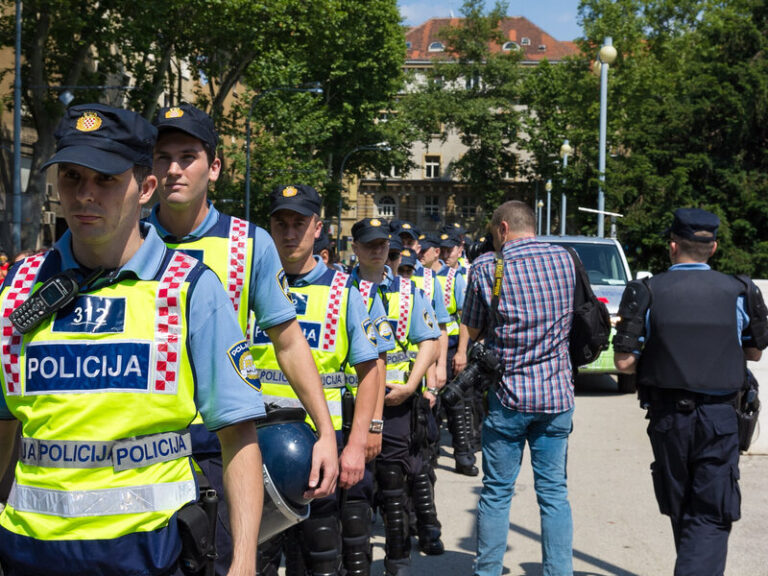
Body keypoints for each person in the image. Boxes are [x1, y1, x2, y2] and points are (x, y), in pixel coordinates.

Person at [0, 103, 264, 576]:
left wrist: (242, 561)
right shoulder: (19, 289)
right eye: (72, 178)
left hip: (151, 553)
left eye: (104, 180)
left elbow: (239, 437)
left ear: (145, 188)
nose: (85, 195)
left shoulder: (188, 289)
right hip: (29, 553)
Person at [149, 103, 338, 574]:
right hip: (144, 448)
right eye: (162, 157)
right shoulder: (128, 235)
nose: (174, 169)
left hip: (221, 449)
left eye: (188, 156)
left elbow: (289, 342)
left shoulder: (249, 244)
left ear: (213, 167)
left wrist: (328, 433)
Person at [613, 208, 768, 576]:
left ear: (672, 246)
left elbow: (622, 363)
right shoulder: (740, 290)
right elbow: (754, 351)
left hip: (668, 419)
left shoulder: (647, 290)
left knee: (681, 506)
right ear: (713, 248)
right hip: (720, 417)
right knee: (710, 515)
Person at [253, 184, 381, 576]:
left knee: (317, 560)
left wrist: (358, 443)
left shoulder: (344, 291)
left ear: (317, 228)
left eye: (299, 223)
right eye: (281, 223)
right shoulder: (250, 285)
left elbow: (370, 370)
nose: (289, 233)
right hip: (257, 448)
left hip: (319, 450)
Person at [462, 200, 576, 576]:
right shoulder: (566, 260)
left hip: (508, 398)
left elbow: (473, 328)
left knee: (496, 492)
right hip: (557, 397)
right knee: (554, 494)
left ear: (503, 229)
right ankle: (558, 571)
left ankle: (489, 571)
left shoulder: (486, 267)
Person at [350, 217, 440, 575]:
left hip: (396, 400)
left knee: (393, 485)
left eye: (382, 244)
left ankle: (397, 559)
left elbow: (429, 340)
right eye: (369, 244)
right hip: (352, 402)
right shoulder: (342, 290)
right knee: (355, 490)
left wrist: (412, 385)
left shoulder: (408, 291)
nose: (376, 250)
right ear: (354, 248)